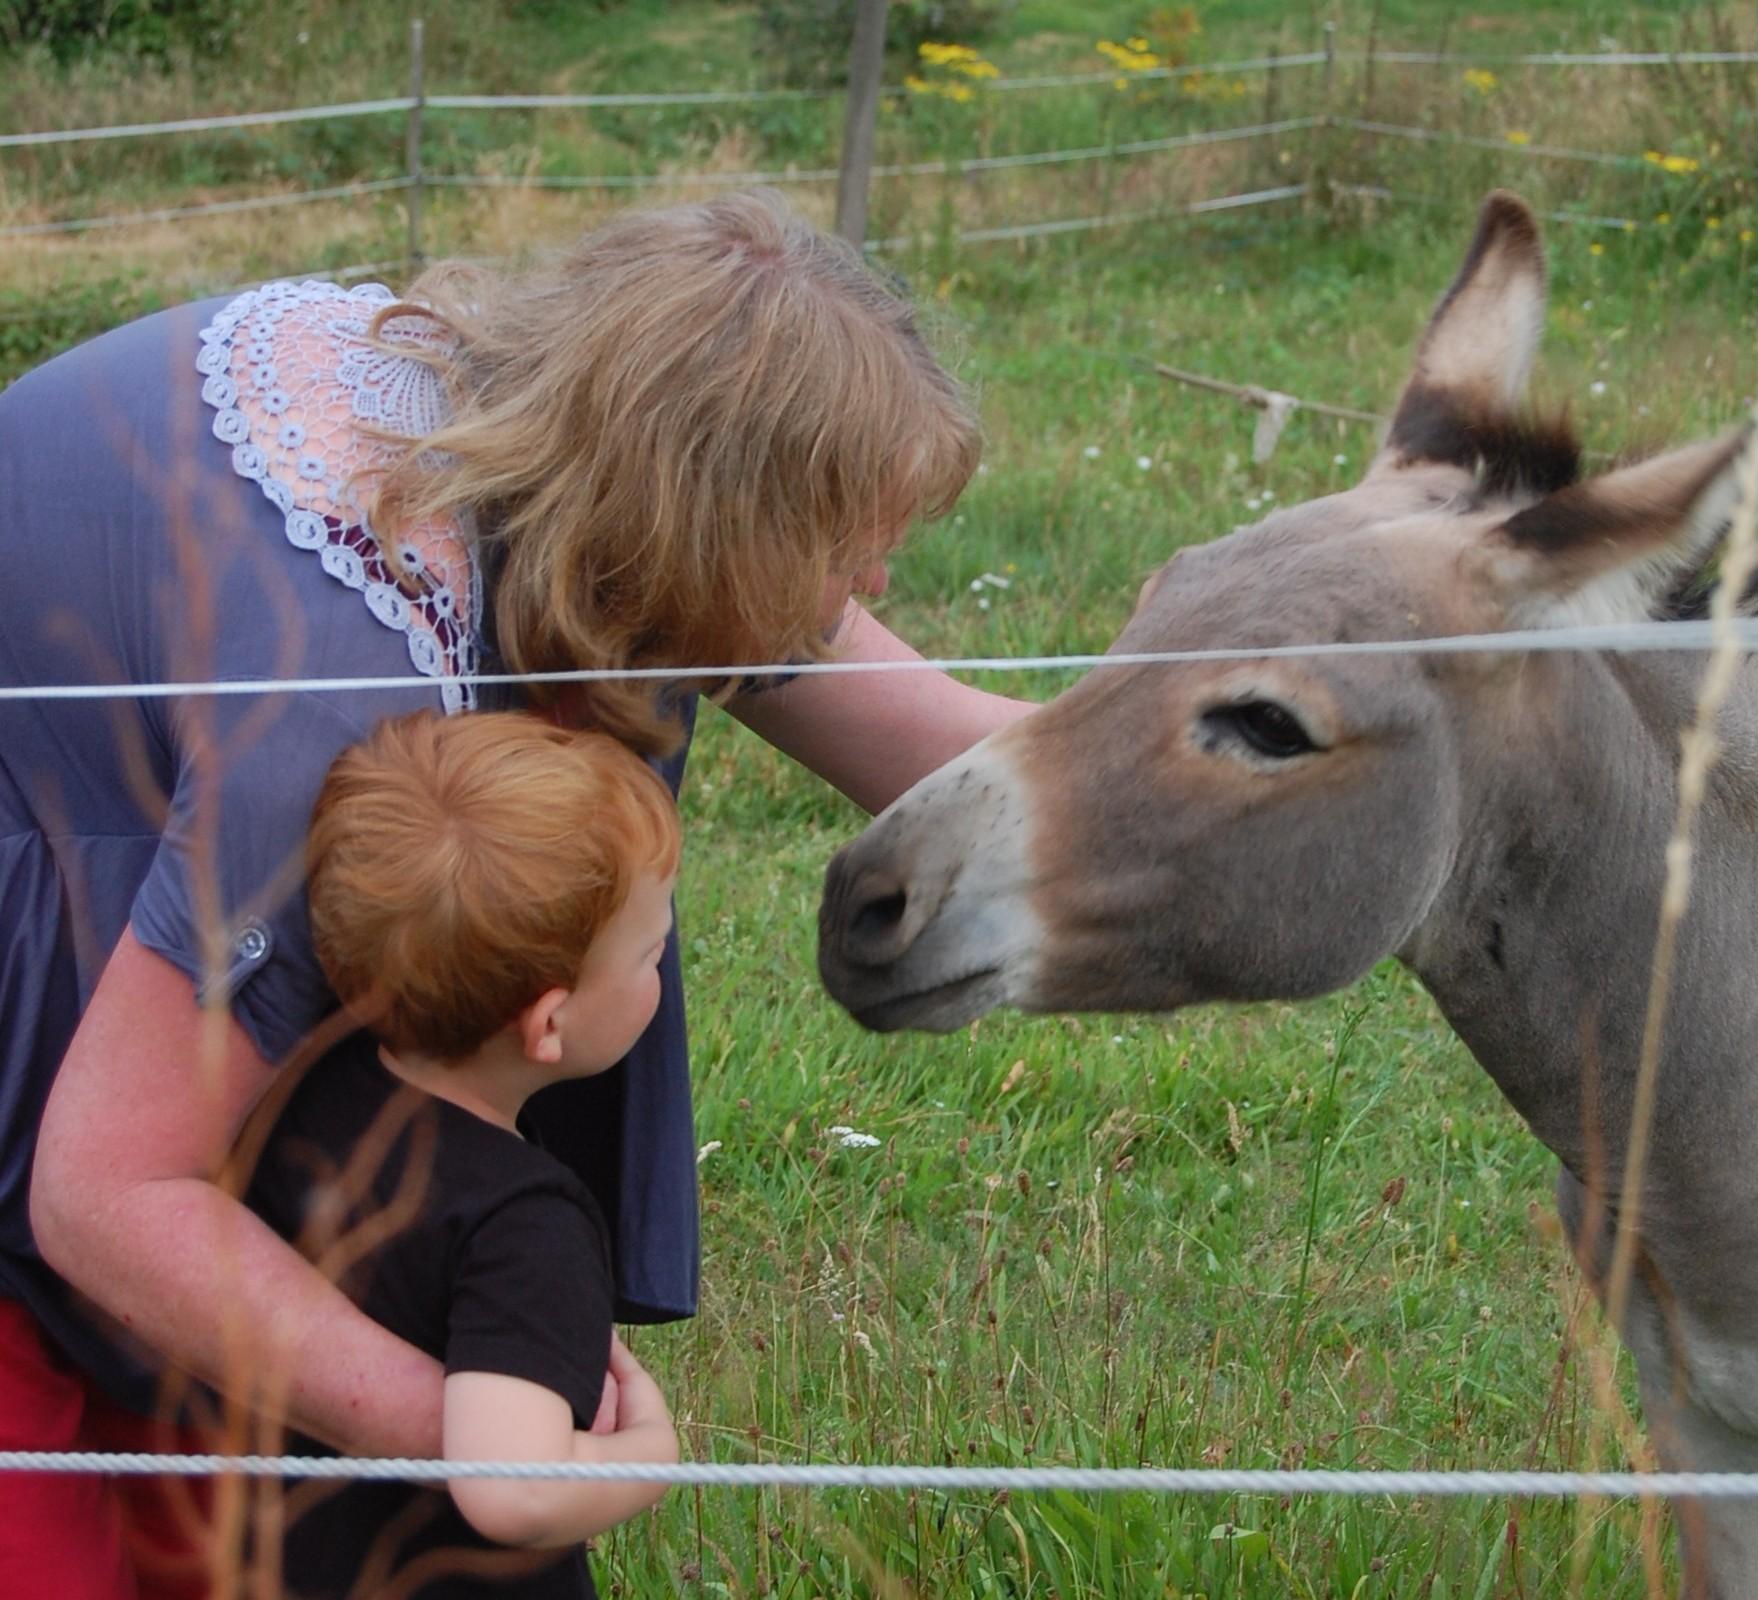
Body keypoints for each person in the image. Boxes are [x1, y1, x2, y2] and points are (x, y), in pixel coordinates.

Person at [0, 188, 1032, 1597]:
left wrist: (1289, 730)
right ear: (709, 522)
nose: (872, 578)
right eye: (841, 540)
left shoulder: (565, 434)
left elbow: (949, 747)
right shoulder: (335, 707)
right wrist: (500, 1443)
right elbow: (108, 1191)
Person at [235, 709, 682, 1599]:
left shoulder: (295, 1092)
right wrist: (651, 1454)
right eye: (650, 954)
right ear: (550, 1023)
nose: (658, 973)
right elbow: (512, 1492)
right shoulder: (528, 1226)